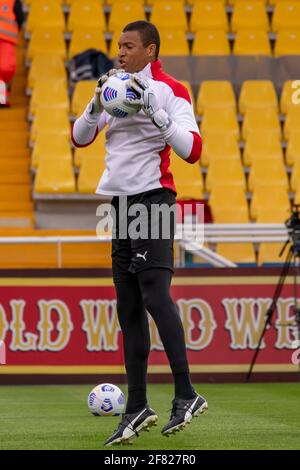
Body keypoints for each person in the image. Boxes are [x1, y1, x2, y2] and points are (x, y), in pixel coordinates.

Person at [72, 20, 208, 446]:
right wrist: (94, 105)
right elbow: (79, 139)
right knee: (128, 308)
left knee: (153, 296)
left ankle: (186, 393)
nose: (120, 53)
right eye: (119, 46)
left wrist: (157, 112)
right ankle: (136, 407)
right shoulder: (113, 86)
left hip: (153, 199)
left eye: (129, 46)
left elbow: (193, 150)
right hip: (121, 204)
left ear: (151, 50)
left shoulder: (170, 89)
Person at [0, 0, 23, 107]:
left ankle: (2, 100)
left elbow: (20, 17)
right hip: (7, 40)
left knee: (4, 69)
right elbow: (20, 18)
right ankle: (2, 100)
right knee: (5, 69)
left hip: (6, 40)